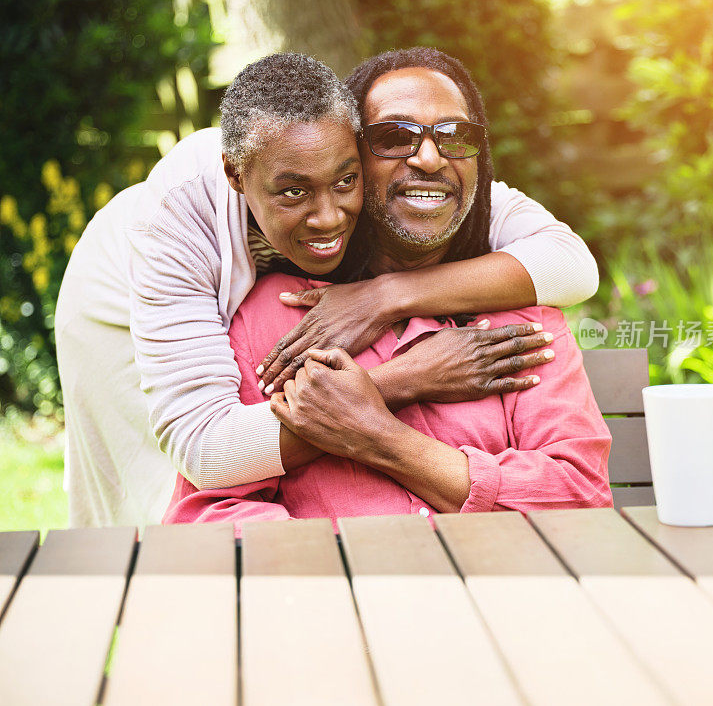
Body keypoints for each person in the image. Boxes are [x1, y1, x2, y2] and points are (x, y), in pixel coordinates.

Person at [56, 51, 599, 528]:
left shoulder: (420, 177)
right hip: (119, 306)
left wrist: (385, 294)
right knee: (150, 507)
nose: (427, 158)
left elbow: (573, 264)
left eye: (344, 182)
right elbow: (207, 459)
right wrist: (401, 380)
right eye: (394, 137)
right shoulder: (179, 226)